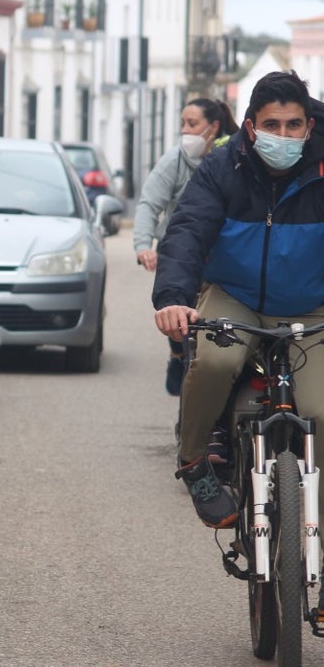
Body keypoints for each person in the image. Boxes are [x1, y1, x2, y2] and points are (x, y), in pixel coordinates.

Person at [153, 70, 324, 529]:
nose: (283, 136)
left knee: (321, 412)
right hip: (237, 298)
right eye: (272, 125)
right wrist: (172, 298)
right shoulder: (222, 167)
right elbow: (188, 230)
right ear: (251, 127)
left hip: (311, 308)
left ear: (309, 126)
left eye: (293, 126)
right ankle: (194, 462)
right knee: (213, 364)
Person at [135, 98, 238, 397]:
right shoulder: (175, 160)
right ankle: (178, 356)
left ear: (214, 126)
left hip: (222, 255)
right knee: (178, 312)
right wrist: (144, 245)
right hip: (183, 253)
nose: (185, 131)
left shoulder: (234, 158)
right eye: (182, 123)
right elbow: (149, 203)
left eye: (191, 124)